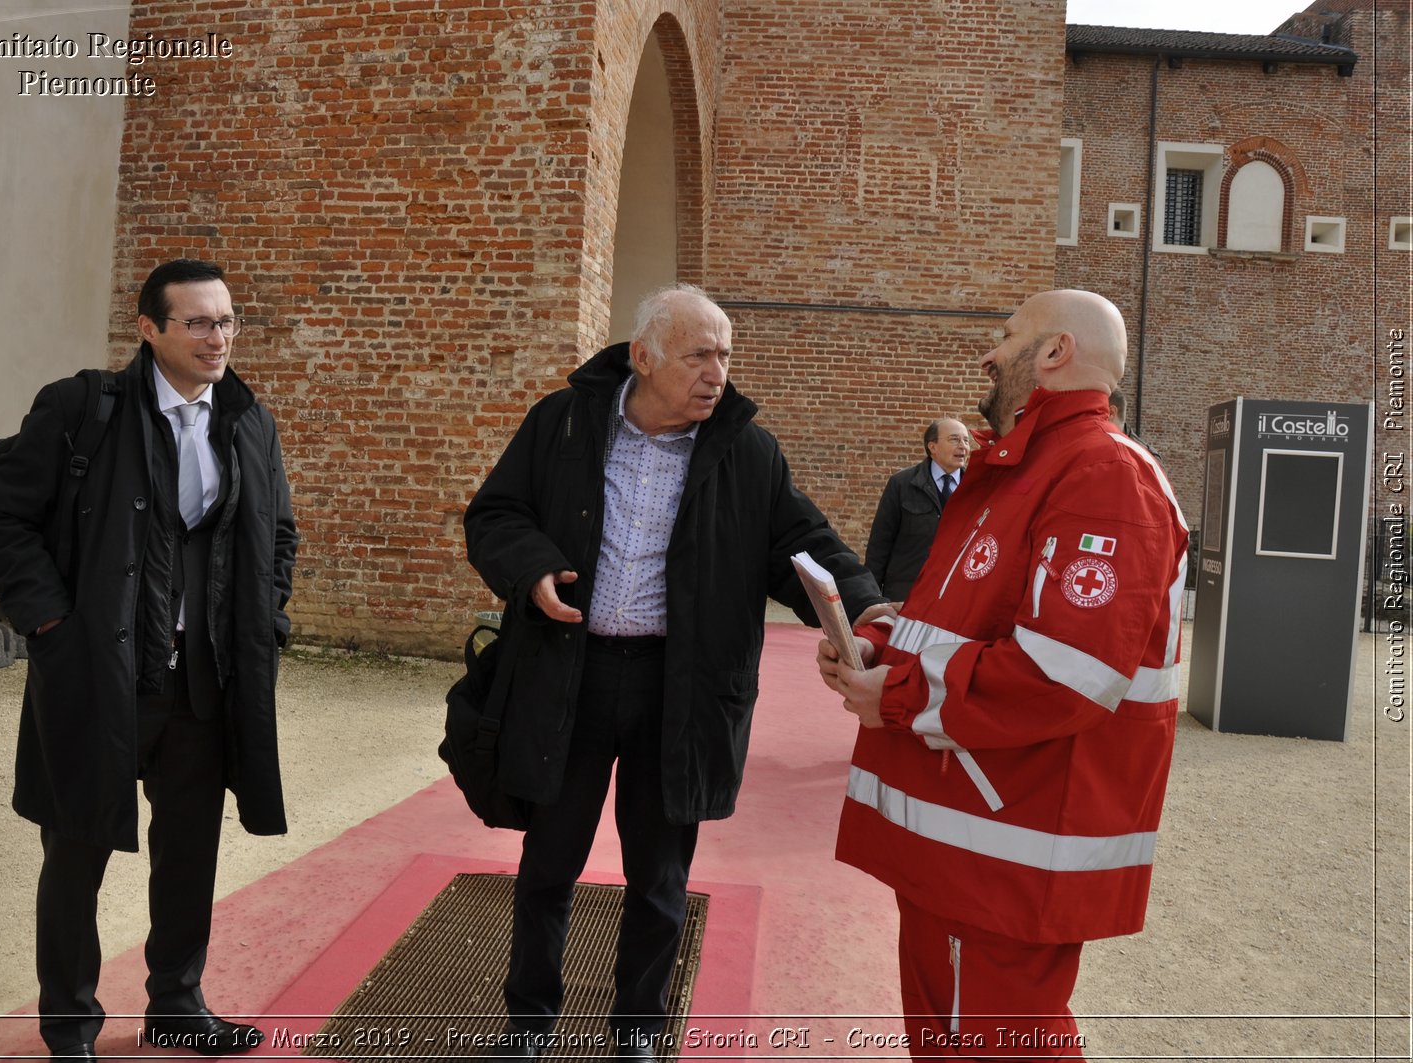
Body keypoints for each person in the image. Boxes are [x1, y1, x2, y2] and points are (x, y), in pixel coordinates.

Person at [465, 284, 881, 1059]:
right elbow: (494, 515)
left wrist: (864, 610)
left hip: (678, 689)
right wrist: (534, 568)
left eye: (724, 354)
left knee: (658, 879)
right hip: (571, 676)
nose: (717, 371)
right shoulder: (561, 425)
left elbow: (807, 541)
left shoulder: (746, 451)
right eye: (699, 354)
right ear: (645, 357)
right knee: (547, 864)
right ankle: (527, 1029)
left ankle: (637, 1035)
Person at [818, 289, 1188, 1059]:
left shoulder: (1103, 474)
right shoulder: (1025, 467)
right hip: (968, 835)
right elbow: (967, 622)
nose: (989, 354)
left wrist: (903, 693)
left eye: (1007, 335)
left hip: (1010, 843)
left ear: (1053, 353)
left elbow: (1067, 672)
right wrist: (882, 643)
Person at [0, 259, 297, 1062]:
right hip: (99, 676)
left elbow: (278, 533)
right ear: (149, 328)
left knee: (189, 852)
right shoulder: (83, 408)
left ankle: (178, 1005)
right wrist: (52, 626)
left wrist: (267, 619)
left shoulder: (249, 420)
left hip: (204, 682)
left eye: (228, 322)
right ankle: (70, 1025)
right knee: (75, 854)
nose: (219, 339)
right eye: (199, 323)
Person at [862, 417, 972, 601]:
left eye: (966, 440)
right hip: (907, 594)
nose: (963, 446)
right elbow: (880, 544)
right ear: (933, 447)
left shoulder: (978, 488)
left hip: (956, 596)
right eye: (954, 439)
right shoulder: (902, 484)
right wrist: (871, 597)